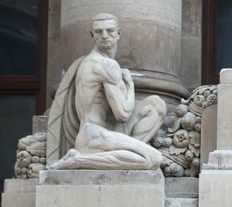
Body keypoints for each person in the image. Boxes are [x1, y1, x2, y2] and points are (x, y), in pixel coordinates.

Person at [50, 13, 166, 170]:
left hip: (99, 133)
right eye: (99, 32)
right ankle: (77, 160)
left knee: (156, 105)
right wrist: (130, 84)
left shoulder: (94, 62)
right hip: (93, 136)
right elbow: (123, 113)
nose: (105, 36)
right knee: (153, 159)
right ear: (92, 35)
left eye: (110, 30)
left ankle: (127, 153)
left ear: (118, 33)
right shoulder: (105, 65)